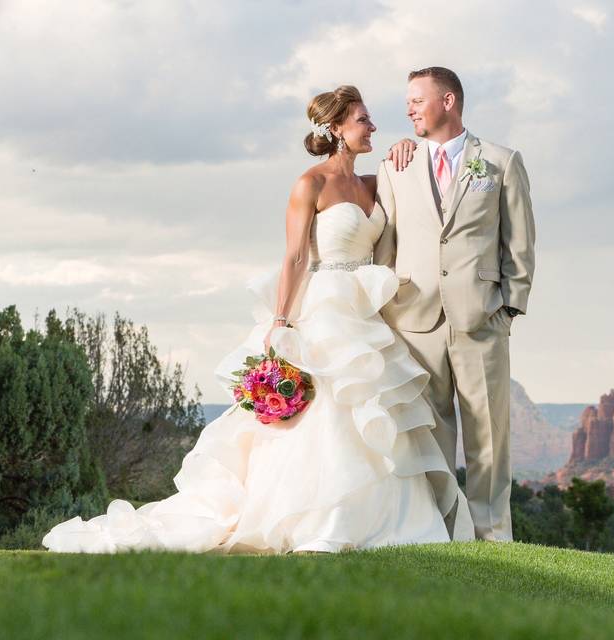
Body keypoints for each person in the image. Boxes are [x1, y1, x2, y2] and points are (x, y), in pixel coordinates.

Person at [41, 85, 468, 554]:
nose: (374, 127)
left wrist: (411, 146)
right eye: (364, 119)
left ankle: (387, 521)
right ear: (337, 128)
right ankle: (318, 519)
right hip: (323, 307)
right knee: (325, 414)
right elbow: (295, 256)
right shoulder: (311, 184)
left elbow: (408, 178)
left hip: (366, 310)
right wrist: (281, 321)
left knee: (368, 410)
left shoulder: (371, 183)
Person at [375, 67, 536, 541]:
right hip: (415, 320)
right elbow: (386, 244)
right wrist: (387, 312)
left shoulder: (501, 162)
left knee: (488, 434)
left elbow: (520, 242)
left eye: (416, 100)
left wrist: (508, 308)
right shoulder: (395, 164)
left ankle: (492, 533)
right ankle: (442, 532)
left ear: (447, 101)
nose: (408, 109)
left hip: (481, 316)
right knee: (432, 434)